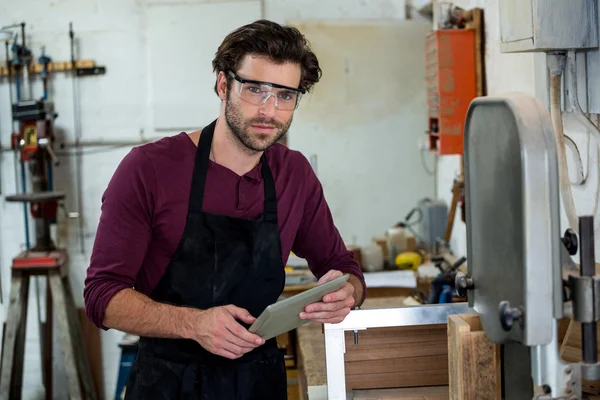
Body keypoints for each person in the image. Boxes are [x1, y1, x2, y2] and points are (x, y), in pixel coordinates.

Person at [83, 19, 366, 399]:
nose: (270, 110)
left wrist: (347, 293)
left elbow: (345, 270)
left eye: (285, 95)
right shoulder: (149, 168)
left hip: (260, 383)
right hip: (169, 384)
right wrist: (193, 323)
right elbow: (102, 296)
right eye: (255, 90)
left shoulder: (293, 173)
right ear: (222, 84)